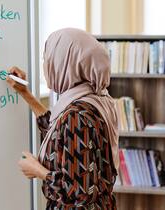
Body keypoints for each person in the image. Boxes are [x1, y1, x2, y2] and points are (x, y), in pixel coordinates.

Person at [6, 28, 119, 210]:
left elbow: (80, 192)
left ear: (64, 63)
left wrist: (38, 171)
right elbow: (64, 137)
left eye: (47, 59)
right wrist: (25, 93)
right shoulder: (94, 99)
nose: (45, 66)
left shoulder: (77, 115)